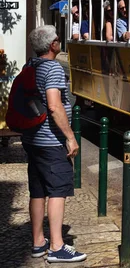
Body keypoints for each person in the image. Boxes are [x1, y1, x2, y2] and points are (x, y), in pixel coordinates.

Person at [22, 25, 86, 263]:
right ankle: (57, 246)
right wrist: (70, 137)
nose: (60, 42)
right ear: (52, 45)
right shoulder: (52, 68)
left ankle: (38, 243)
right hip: (51, 142)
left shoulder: (31, 66)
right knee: (58, 190)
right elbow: (54, 105)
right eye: (58, 39)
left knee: (37, 191)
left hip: (32, 140)